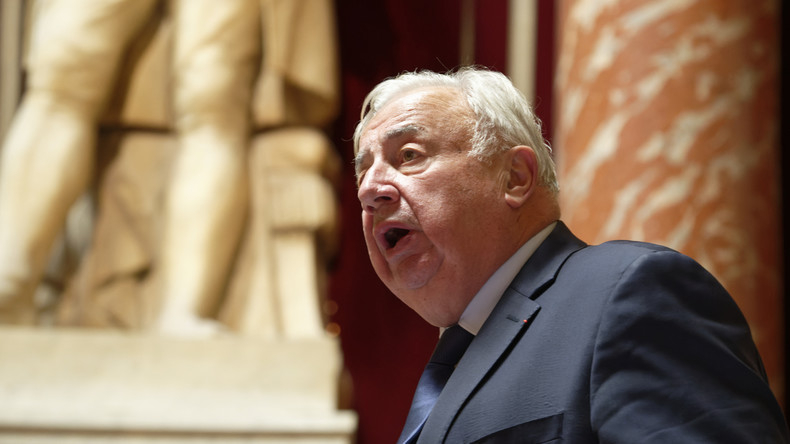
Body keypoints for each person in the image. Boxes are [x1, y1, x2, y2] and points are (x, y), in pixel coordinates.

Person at [353, 67, 789, 443]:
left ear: (514, 177)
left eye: (408, 155)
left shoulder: (634, 294)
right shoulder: (456, 358)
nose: (369, 189)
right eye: (363, 170)